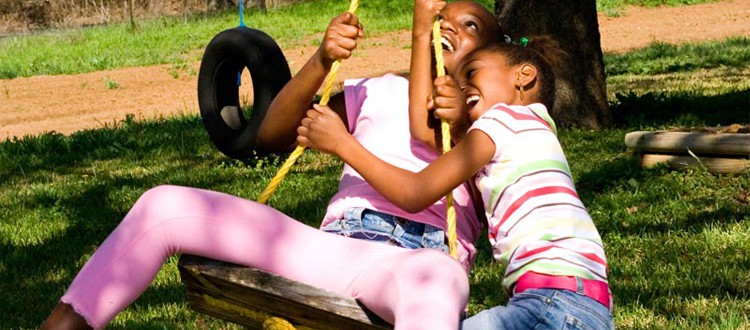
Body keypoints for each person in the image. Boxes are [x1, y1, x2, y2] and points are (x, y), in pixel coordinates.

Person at [41, 1, 504, 329]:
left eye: (470, 25)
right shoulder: (378, 90)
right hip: (333, 248)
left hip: (409, 264)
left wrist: (464, 108)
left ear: (495, 56)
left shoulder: (492, 121)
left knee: (438, 280)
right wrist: (322, 59)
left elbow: (451, 156)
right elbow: (272, 135)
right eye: (441, 16)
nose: (450, 26)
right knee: (162, 205)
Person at [297, 38, 615, 329]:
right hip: (593, 307)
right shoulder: (539, 132)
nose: (463, 89)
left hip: (548, 303)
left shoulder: (501, 120)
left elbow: (415, 192)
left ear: (523, 76)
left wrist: (342, 144)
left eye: (472, 74)